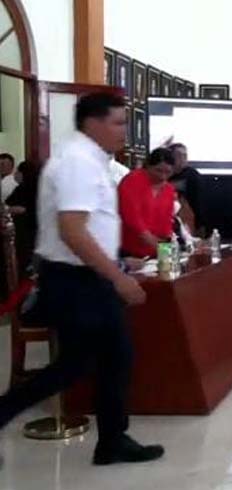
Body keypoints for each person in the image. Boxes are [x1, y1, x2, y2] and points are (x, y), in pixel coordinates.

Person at [0, 92, 163, 465]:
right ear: (93, 123)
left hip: (86, 275)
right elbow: (72, 230)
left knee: (113, 356)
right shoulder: (78, 162)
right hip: (76, 279)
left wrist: (119, 261)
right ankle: (111, 440)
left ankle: (113, 440)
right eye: (118, 122)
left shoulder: (90, 159)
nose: (124, 131)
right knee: (77, 364)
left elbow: (94, 226)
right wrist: (117, 277)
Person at [118, 147, 177, 258]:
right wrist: (158, 246)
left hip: (155, 250)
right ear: (148, 166)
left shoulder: (169, 190)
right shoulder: (132, 180)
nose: (163, 176)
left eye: (168, 172)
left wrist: (166, 251)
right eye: (159, 170)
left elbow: (167, 223)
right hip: (130, 249)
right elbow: (132, 218)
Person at [5, 161, 40, 276]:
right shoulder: (22, 187)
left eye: (18, 171)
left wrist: (10, 209)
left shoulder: (29, 188)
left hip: (27, 230)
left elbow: (23, 209)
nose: (15, 174)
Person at [168, 143, 203, 232]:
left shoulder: (192, 175)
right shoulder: (164, 175)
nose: (183, 159)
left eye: (185, 156)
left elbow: (199, 202)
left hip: (187, 220)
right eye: (179, 155)